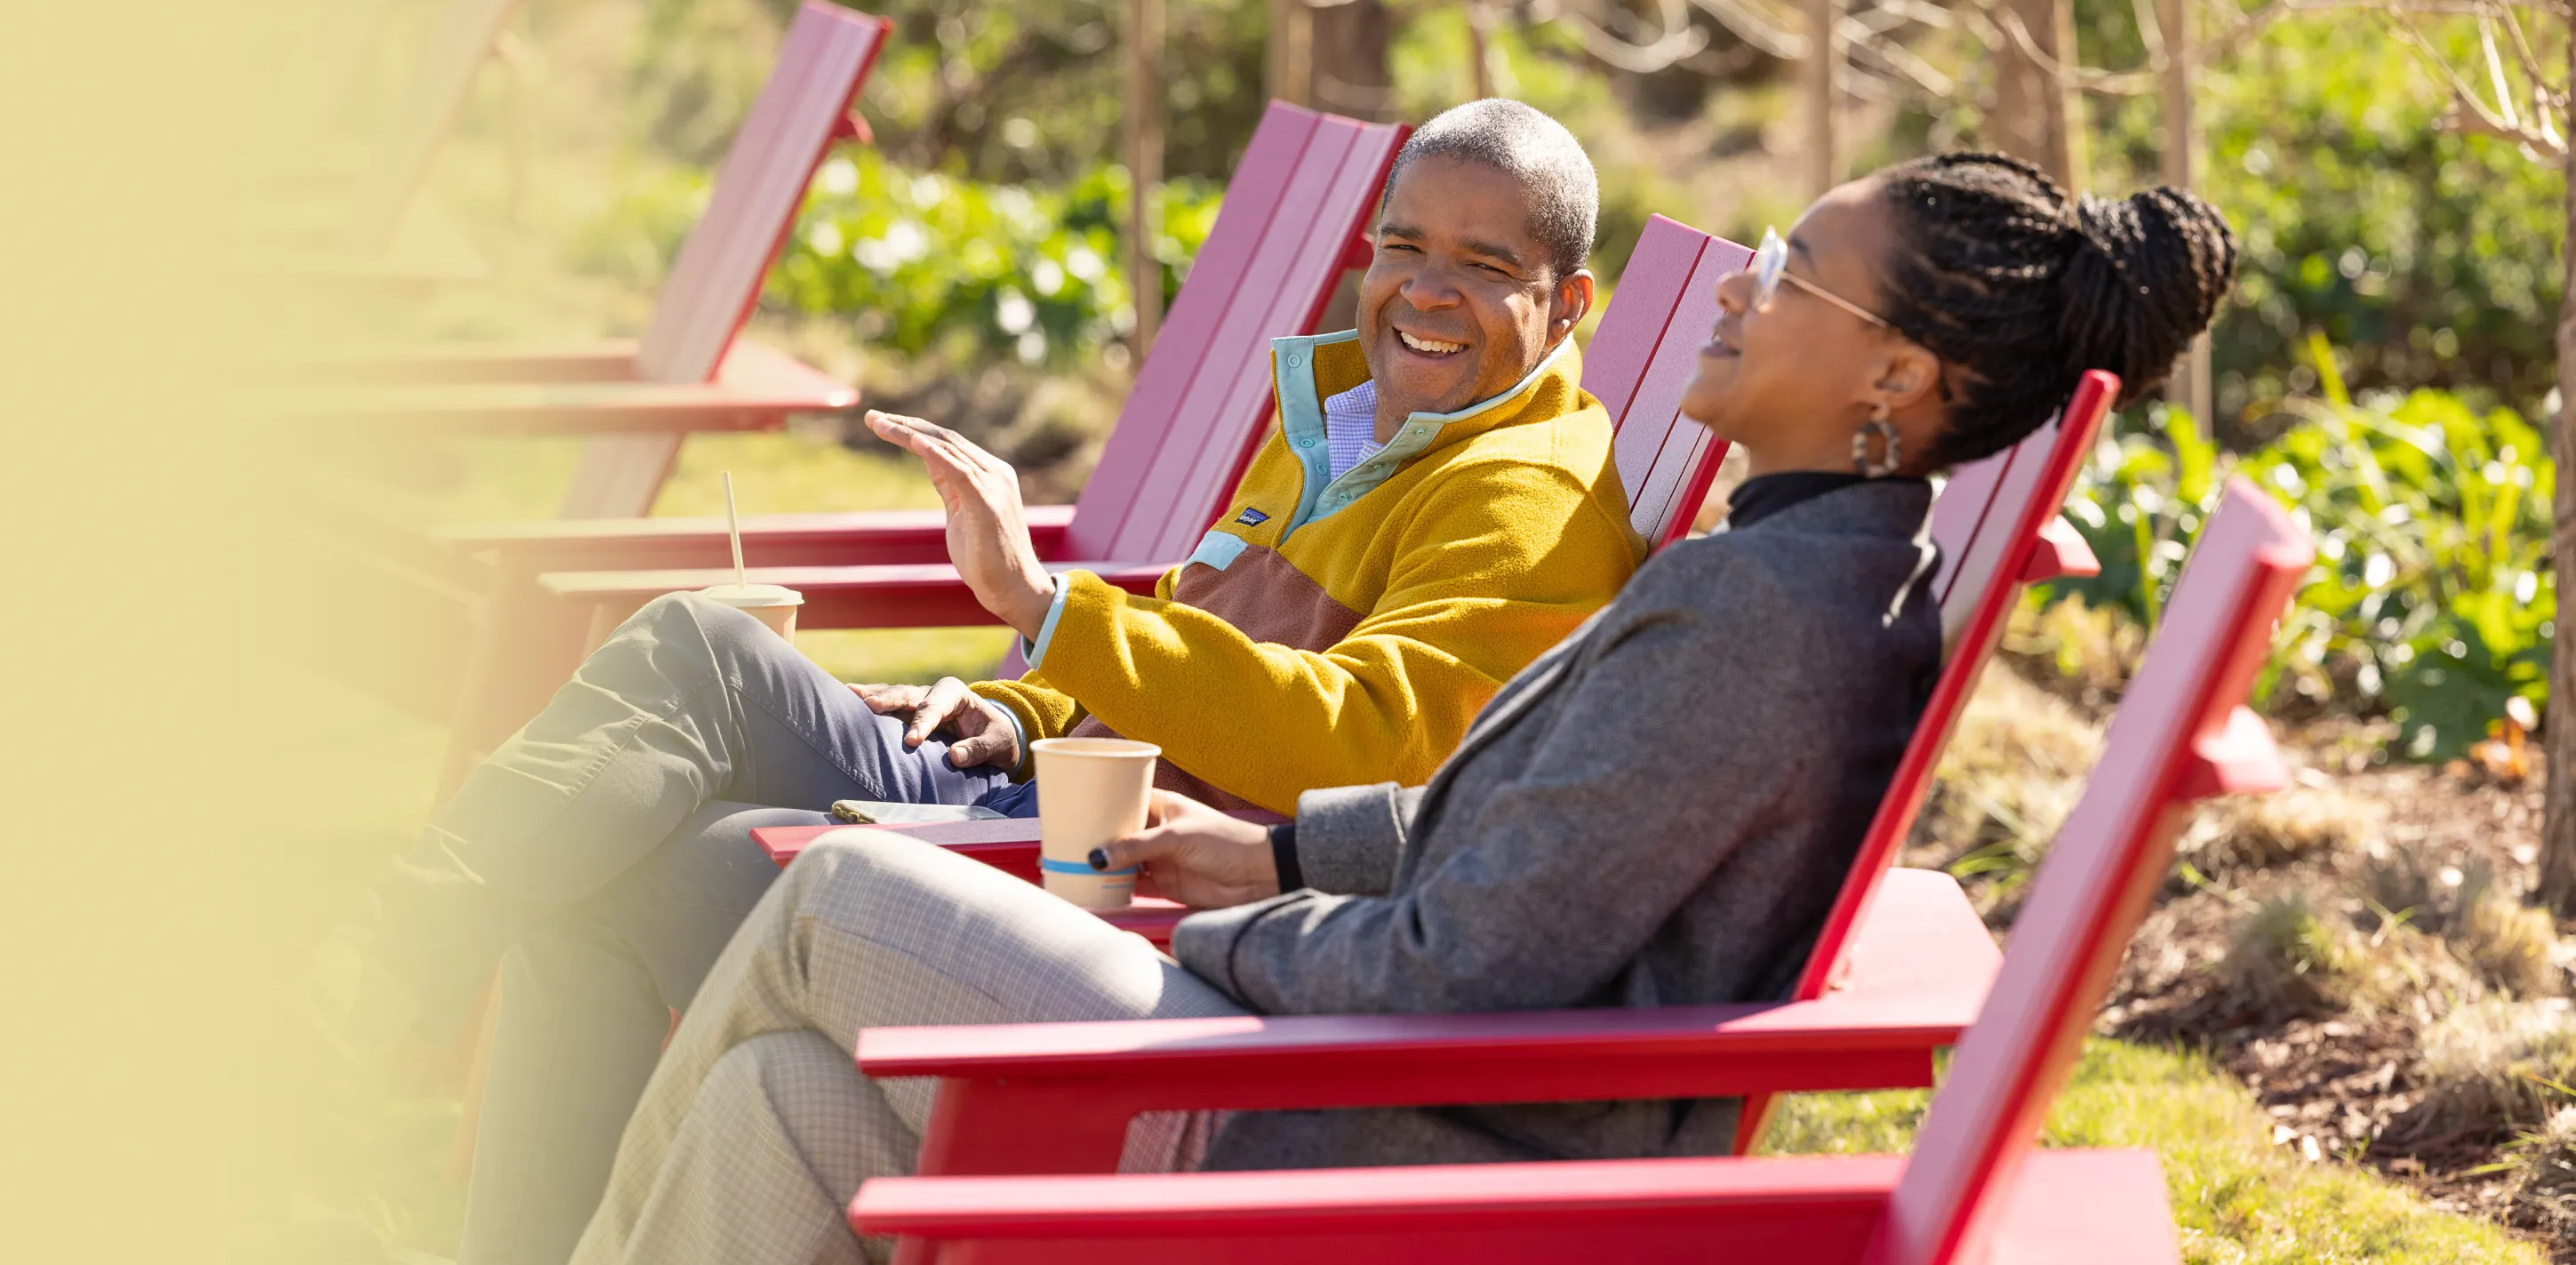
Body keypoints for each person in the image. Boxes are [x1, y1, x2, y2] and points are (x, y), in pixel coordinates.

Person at [562, 152, 2242, 1265]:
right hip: (1382, 1080)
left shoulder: (1767, 617)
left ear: (1892, 378)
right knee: (774, 1101)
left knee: (835, 897)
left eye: (1787, 274)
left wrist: (1233, 928)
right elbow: (1532, 845)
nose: (1733, 289)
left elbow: (1471, 965)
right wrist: (1274, 839)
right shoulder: (1799, 571)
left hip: (1387, 1143)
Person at [325, 100, 1651, 1265]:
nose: (1425, 289)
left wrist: (1046, 610)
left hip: (1131, 887)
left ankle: (362, 1006)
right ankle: (399, 1040)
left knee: (670, 765)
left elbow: (1351, 740)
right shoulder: (1359, 422)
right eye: (1405, 245)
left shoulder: (1520, 497)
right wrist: (1016, 705)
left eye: (1484, 266)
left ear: (1566, 303)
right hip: (1051, 798)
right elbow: (1195, 642)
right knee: (680, 702)